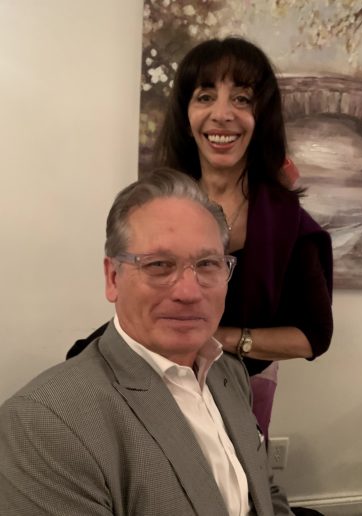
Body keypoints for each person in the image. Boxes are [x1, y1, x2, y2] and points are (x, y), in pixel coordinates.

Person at [67, 37, 333, 438]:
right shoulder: (154, 206)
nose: (222, 114)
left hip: (241, 388)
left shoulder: (291, 225)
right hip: (151, 382)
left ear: (261, 117)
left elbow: (313, 336)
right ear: (186, 116)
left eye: (242, 99)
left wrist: (217, 338)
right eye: (205, 96)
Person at [0, 169, 294, 516]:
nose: (189, 292)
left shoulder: (230, 373)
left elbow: (264, 492)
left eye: (207, 264)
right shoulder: (42, 424)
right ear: (113, 278)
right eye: (159, 265)